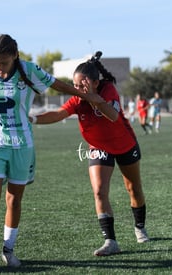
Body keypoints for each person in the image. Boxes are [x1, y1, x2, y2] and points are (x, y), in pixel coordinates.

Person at [0, 34, 102, 267]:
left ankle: (8, 250)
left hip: (22, 145)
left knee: (14, 200)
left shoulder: (30, 70)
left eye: (3, 62)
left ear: (14, 55)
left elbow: (58, 84)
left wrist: (86, 96)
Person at [30, 52, 149, 256]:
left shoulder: (108, 89)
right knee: (99, 191)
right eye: (74, 86)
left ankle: (139, 226)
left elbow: (112, 115)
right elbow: (58, 114)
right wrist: (31, 119)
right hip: (98, 147)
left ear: (95, 82)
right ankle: (110, 241)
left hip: (125, 144)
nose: (77, 90)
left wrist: (96, 100)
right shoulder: (77, 100)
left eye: (81, 85)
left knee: (134, 189)